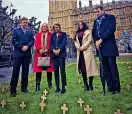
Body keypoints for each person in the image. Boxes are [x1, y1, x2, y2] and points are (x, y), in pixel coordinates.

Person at [92, 6, 121, 94]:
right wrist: (96, 41)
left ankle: (116, 88)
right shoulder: (95, 21)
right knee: (105, 68)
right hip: (100, 48)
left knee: (112, 67)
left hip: (109, 46)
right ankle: (110, 87)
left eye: (98, 11)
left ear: (103, 10)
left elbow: (111, 29)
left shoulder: (110, 17)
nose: (96, 13)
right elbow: (94, 33)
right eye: (95, 12)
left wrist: (101, 39)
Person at [10, 17, 34, 97]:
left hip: (27, 55)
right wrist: (21, 47)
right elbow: (13, 41)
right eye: (24, 22)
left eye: (26, 23)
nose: (25, 24)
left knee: (25, 72)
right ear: (20, 23)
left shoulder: (30, 32)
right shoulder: (15, 31)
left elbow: (32, 41)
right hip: (18, 54)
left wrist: (27, 46)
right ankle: (13, 90)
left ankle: (24, 88)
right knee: (15, 72)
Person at [74, 21, 98, 91]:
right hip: (80, 53)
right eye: (79, 25)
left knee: (90, 68)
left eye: (81, 25)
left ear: (84, 25)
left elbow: (89, 40)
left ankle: (90, 84)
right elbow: (75, 41)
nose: (80, 26)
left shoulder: (88, 31)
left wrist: (83, 47)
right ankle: (85, 84)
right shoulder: (77, 33)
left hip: (87, 51)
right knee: (83, 69)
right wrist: (78, 47)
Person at [33, 23, 54, 91]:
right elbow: (36, 43)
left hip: (48, 54)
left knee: (49, 70)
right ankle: (37, 85)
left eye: (45, 26)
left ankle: (49, 83)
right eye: (43, 26)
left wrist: (48, 49)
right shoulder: (38, 35)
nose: (44, 27)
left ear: (47, 27)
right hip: (40, 54)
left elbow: (51, 43)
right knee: (38, 70)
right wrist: (39, 49)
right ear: (41, 27)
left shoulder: (51, 35)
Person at [50, 23, 67, 94]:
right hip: (54, 55)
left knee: (62, 71)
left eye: (57, 27)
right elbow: (50, 44)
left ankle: (63, 87)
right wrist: (53, 50)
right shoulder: (52, 35)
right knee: (56, 71)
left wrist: (59, 49)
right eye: (54, 28)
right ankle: (57, 87)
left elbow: (64, 42)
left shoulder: (63, 34)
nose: (55, 29)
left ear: (59, 27)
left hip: (61, 54)